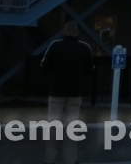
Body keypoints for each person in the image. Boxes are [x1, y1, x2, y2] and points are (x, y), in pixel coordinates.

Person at [41, 21, 94, 164]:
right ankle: (70, 159)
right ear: (77, 32)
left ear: (64, 31)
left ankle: (50, 158)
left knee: (52, 126)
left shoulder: (55, 45)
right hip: (75, 92)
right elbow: (90, 70)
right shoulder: (84, 48)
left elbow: (45, 65)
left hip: (56, 91)